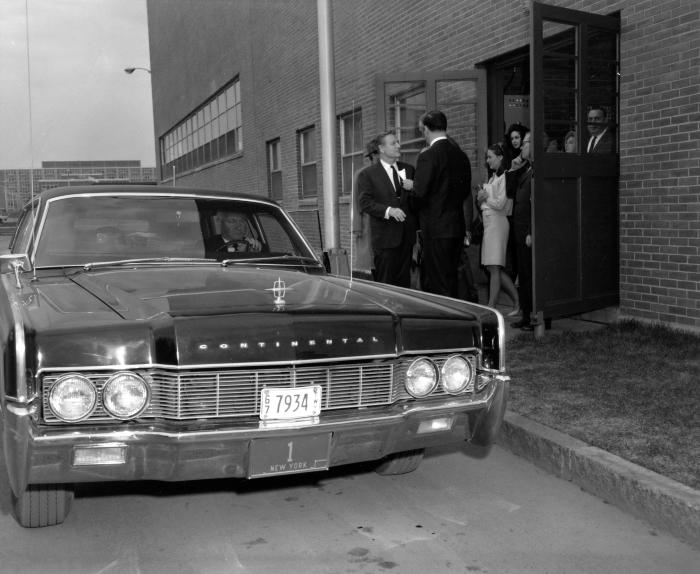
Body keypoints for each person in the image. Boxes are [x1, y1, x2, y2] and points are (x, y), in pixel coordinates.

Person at [412, 110, 471, 298]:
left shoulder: (428, 156)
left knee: (438, 282)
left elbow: (419, 194)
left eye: (422, 130)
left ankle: (447, 323)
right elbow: (464, 192)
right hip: (456, 227)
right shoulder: (461, 156)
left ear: (427, 130)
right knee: (452, 278)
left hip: (436, 229)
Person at [357, 130, 416, 288]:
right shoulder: (368, 174)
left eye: (398, 142)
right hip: (384, 239)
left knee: (405, 286)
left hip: (406, 238)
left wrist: (415, 188)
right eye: (393, 143)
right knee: (385, 286)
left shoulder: (409, 169)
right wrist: (389, 211)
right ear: (381, 149)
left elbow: (417, 201)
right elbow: (365, 203)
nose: (398, 145)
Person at [477, 143, 520, 315]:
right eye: (486, 157)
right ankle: (517, 301)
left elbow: (502, 204)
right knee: (492, 267)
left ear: (500, 157)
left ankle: (491, 307)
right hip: (489, 224)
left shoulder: (505, 177)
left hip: (497, 224)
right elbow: (486, 203)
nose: (487, 161)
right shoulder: (493, 178)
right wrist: (482, 198)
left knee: (494, 266)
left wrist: (485, 197)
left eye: (490, 157)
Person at [510, 131, 534, 330]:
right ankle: (526, 316)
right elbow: (512, 192)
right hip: (519, 230)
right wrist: (513, 168)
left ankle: (535, 315)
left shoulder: (538, 170)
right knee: (524, 275)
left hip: (528, 232)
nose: (521, 147)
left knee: (530, 275)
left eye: (525, 143)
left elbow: (538, 204)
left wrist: (531, 231)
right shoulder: (525, 168)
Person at [352, 138, 380, 279]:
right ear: (374, 155)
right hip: (368, 223)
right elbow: (356, 202)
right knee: (374, 263)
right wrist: (357, 227)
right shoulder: (362, 174)